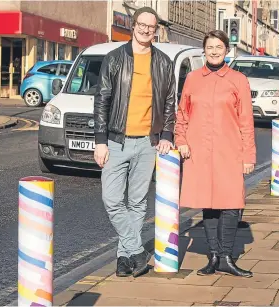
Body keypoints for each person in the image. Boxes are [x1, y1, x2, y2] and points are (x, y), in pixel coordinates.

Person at [93, 7, 176, 278]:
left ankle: (124, 258)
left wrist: (166, 135)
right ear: (133, 25)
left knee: (138, 202)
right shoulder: (115, 58)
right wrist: (100, 141)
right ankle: (137, 250)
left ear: (156, 30)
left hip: (147, 142)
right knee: (112, 199)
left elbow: (169, 102)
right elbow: (102, 100)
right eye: (141, 24)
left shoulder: (163, 62)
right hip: (116, 141)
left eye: (150, 27)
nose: (145, 30)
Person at [175, 30, 256, 278]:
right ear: (204, 50)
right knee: (208, 205)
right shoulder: (192, 79)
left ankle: (226, 257)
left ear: (227, 50)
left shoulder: (238, 80)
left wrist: (248, 156)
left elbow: (246, 121)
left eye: (218, 47)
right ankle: (212, 257)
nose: (214, 51)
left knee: (231, 204)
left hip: (229, 151)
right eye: (210, 47)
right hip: (199, 151)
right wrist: (181, 140)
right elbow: (182, 114)